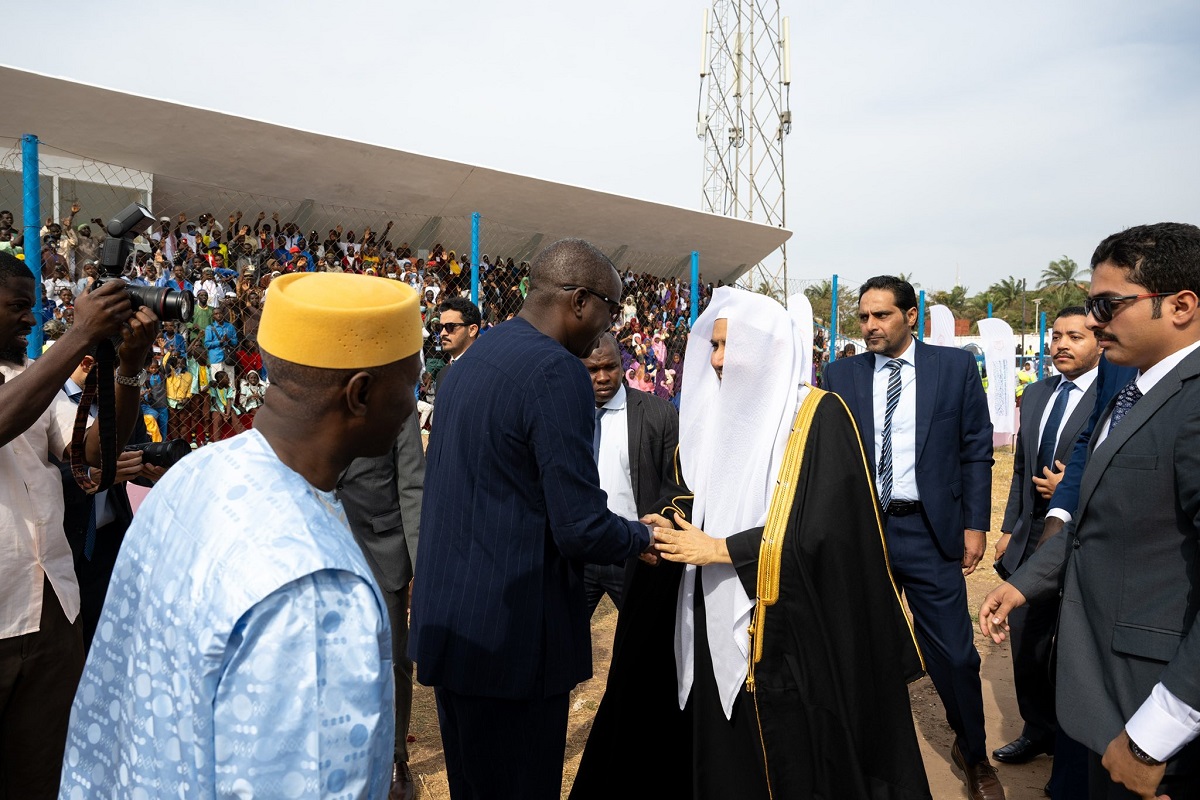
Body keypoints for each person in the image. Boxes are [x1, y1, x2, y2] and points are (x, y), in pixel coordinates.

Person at [59, 272, 424, 798]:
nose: (414, 404)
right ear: (360, 392)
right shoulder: (315, 590)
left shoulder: (192, 476)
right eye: (408, 384)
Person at [574, 287, 929, 800]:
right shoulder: (712, 415)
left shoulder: (818, 416)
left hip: (785, 629)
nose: (716, 360)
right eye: (713, 346)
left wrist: (720, 550)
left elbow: (827, 532)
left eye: (727, 345)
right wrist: (670, 522)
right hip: (707, 608)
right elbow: (690, 491)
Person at [409, 239, 653, 800]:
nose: (609, 325)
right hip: (512, 647)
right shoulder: (555, 372)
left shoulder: (472, 363)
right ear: (580, 300)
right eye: (610, 309)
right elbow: (580, 526)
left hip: (456, 631)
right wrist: (642, 535)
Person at [981, 222, 1200, 799]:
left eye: (1108, 304)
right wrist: (1028, 582)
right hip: (1097, 693)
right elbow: (1098, 524)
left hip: (1148, 708)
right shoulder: (1131, 386)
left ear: (1180, 306)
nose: (1094, 319)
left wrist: (1156, 736)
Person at [822, 275, 1002, 800]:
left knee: (956, 655)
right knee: (856, 649)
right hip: (862, 534)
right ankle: (859, 757)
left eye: (882, 316)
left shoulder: (953, 369)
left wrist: (974, 524)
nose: (871, 326)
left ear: (910, 317)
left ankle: (973, 753)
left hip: (929, 532)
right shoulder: (839, 374)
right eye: (863, 317)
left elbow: (975, 449)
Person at [0, 250, 157, 798]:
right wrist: (78, 337)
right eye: (19, 307)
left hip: (51, 610)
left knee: (45, 777)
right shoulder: (32, 382)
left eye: (33, 306)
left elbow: (90, 450)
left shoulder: (27, 378)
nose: (30, 318)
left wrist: (129, 368)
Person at [993, 306, 1100, 770]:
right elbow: (1020, 470)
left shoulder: (1114, 396)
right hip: (1031, 532)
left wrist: (1071, 490)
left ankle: (1076, 738)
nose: (1061, 345)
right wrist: (1008, 529)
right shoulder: (1036, 394)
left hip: (1083, 533)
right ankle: (1038, 729)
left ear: (1099, 340)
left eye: (1074, 336)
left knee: (1074, 640)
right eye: (1056, 335)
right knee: (1025, 637)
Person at [337, 409, 425, 800]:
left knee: (391, 660)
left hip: (382, 552)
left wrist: (420, 568)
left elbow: (412, 487)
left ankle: (394, 757)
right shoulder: (305, 386)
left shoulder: (396, 398)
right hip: (317, 547)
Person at [578, 332, 683, 616]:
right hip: (580, 554)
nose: (601, 377)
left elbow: (675, 485)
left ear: (623, 367)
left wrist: (656, 537)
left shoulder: (659, 414)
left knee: (643, 644)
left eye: (609, 367)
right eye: (592, 369)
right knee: (563, 647)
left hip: (634, 553)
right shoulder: (567, 413)